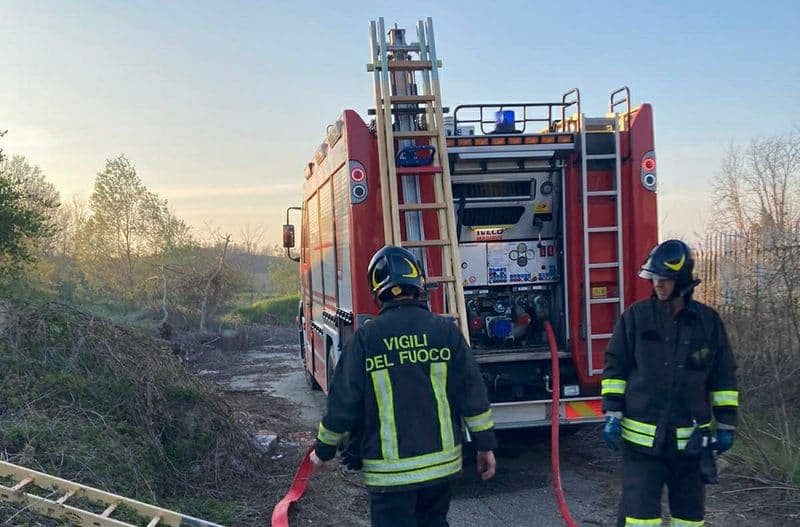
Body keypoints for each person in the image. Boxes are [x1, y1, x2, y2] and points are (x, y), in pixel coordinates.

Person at [310, 245, 497, 527]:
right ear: (418, 284)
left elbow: (342, 404)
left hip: (389, 477)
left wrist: (323, 450)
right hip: (440, 470)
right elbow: (473, 394)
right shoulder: (446, 331)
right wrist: (485, 446)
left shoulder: (365, 340)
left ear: (378, 292)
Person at [602, 239, 739, 527]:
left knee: (689, 519)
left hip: (691, 443)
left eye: (664, 280)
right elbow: (615, 367)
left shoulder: (708, 323)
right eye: (654, 279)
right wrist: (612, 413)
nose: (657, 285)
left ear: (682, 280)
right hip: (641, 444)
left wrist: (726, 425)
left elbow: (723, 376)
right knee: (639, 519)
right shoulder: (636, 318)